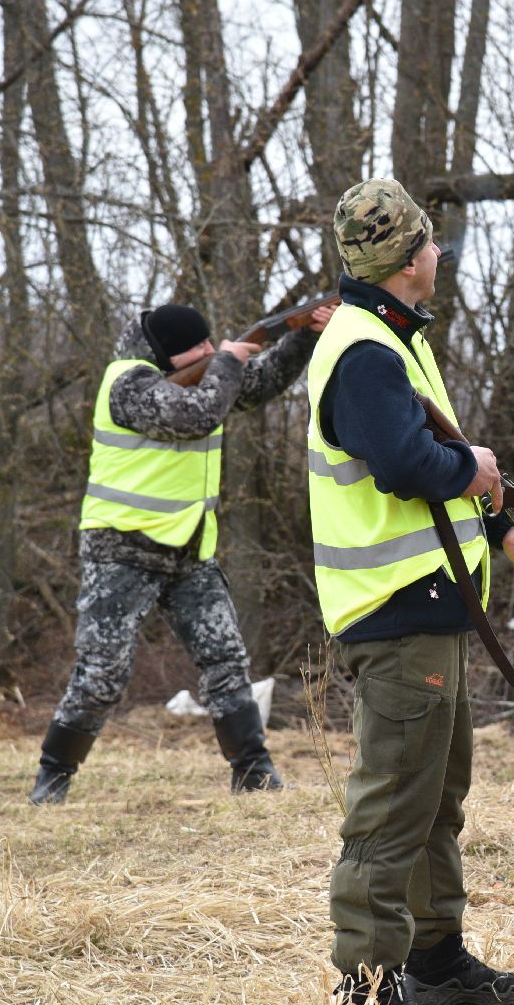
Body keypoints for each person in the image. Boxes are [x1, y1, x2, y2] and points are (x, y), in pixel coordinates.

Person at [306, 179, 514, 1005]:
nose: (438, 252)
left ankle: (438, 963)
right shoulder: (366, 352)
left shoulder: (391, 338)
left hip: (428, 606)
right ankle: (369, 995)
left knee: (435, 799)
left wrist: (502, 534)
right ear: (407, 259)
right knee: (390, 811)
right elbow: (408, 467)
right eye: (428, 241)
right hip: (395, 613)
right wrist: (475, 469)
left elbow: (430, 484)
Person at [27, 298, 333, 804]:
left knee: (225, 660)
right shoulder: (127, 384)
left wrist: (304, 334)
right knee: (102, 672)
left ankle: (254, 775)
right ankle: (53, 776)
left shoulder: (208, 377)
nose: (209, 351)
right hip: (121, 548)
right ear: (168, 353)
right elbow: (196, 416)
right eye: (198, 346)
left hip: (188, 548)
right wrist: (230, 359)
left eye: (212, 342)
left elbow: (261, 383)